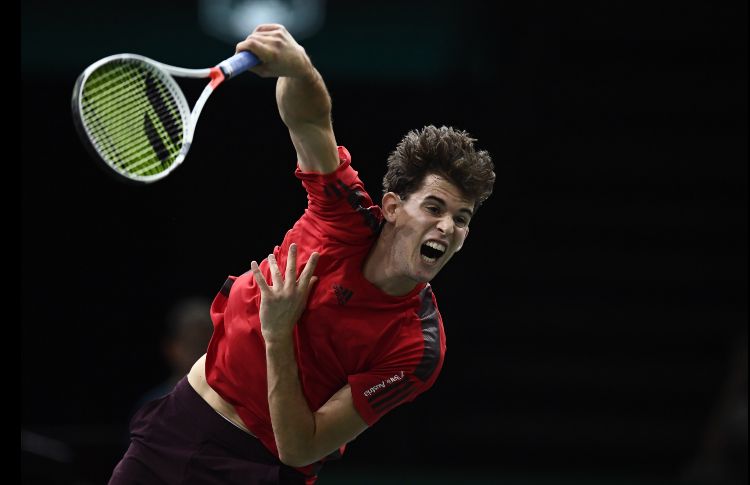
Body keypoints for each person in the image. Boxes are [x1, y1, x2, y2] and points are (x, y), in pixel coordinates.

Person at [109, 23, 495, 485]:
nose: (447, 227)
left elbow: (301, 447)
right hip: (179, 427)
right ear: (392, 207)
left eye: (462, 218)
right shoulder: (343, 215)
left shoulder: (417, 347)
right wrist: (298, 67)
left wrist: (278, 334)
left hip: (262, 471)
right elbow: (311, 122)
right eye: (434, 207)